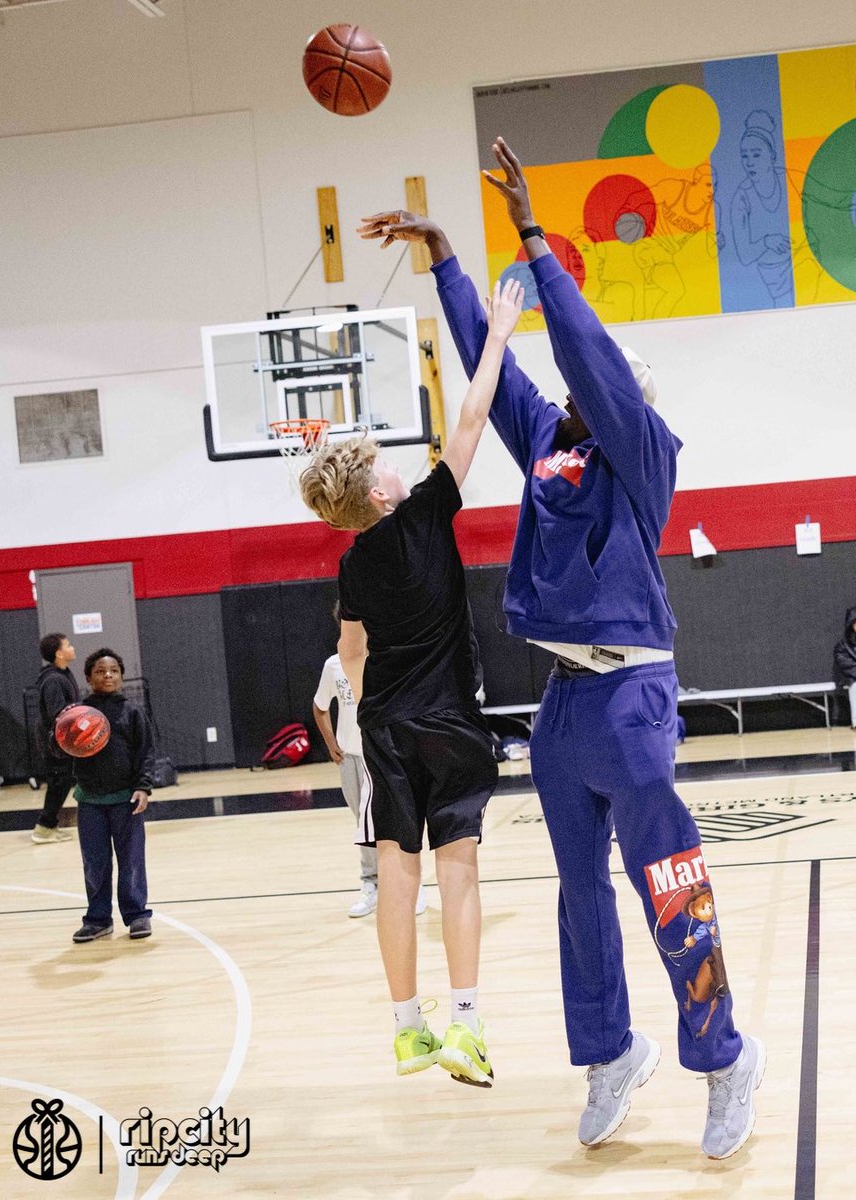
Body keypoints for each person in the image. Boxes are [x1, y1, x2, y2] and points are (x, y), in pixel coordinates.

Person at [358, 138, 763, 1159]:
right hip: (564, 704)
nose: (580, 390)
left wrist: (536, 239)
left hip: (632, 697)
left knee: (667, 883)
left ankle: (725, 1058)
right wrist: (448, 262)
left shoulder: (643, 455)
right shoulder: (550, 441)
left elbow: (583, 356)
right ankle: (610, 1053)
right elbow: (494, 368)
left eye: (599, 384)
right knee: (579, 900)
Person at [298, 278, 523, 1087]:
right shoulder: (427, 511)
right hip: (450, 721)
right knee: (456, 867)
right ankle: (466, 1025)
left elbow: (351, 650)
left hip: (387, 728)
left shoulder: (352, 565)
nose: (400, 467)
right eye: (387, 464)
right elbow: (472, 417)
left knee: (398, 873)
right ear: (379, 492)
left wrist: (367, 713)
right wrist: (497, 335)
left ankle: (406, 1030)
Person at [312, 618, 427, 919]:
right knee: (363, 824)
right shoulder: (333, 665)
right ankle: (371, 885)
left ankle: (414, 886)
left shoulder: (385, 659)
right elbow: (320, 706)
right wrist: (331, 743)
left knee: (399, 819)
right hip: (351, 757)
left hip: (385, 753)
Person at [71, 648, 155, 943]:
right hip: (90, 800)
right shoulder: (77, 714)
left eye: (113, 671)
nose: (107, 675)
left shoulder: (132, 712)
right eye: (100, 671)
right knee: (95, 863)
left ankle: (137, 915)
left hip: (125, 799)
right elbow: (60, 747)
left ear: (121, 676)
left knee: (131, 860)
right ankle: (98, 920)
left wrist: (143, 787)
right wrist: (58, 737)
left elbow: (146, 752)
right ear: (88, 678)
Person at [32, 632, 80, 843]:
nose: (72, 648)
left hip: (61, 741)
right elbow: (58, 713)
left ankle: (48, 825)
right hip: (54, 743)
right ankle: (44, 827)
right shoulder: (53, 680)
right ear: (59, 653)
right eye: (68, 645)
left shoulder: (63, 674)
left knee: (62, 780)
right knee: (59, 781)